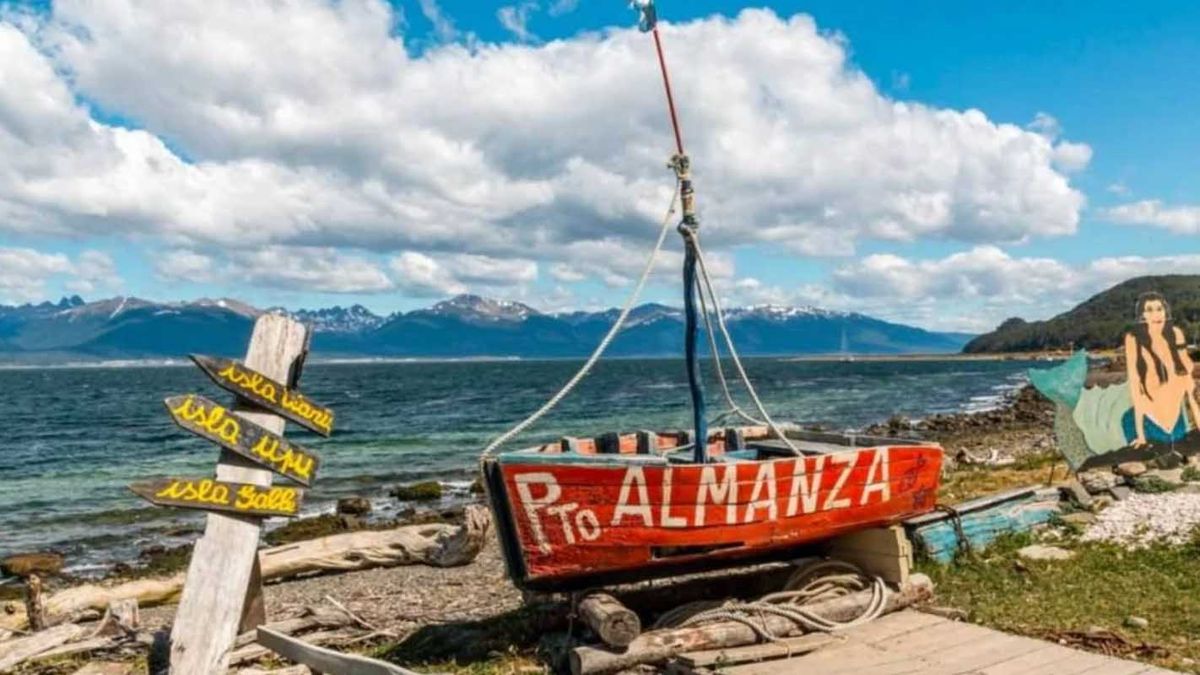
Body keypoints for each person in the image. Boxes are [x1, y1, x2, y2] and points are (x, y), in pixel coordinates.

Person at [1123, 292, 1200, 448]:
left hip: (1175, 423)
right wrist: (1141, 435)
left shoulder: (1176, 334)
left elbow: (1190, 391)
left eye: (1159, 309)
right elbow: (1135, 388)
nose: (1156, 314)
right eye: (1149, 310)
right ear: (1142, 315)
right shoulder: (1133, 339)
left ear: (1166, 312)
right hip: (1147, 420)